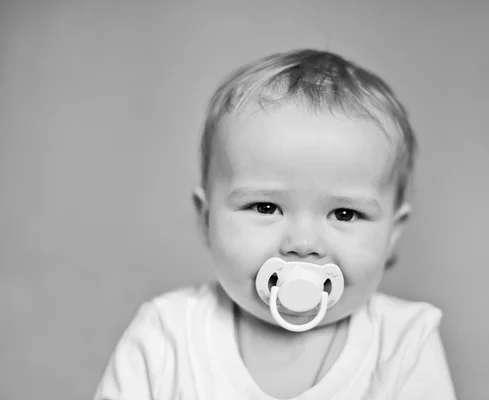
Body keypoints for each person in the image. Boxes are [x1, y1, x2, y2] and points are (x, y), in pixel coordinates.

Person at [94, 49, 456, 399]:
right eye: (266, 207)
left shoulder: (403, 343)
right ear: (207, 219)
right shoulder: (166, 336)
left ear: (392, 234)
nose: (302, 242)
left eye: (345, 214)